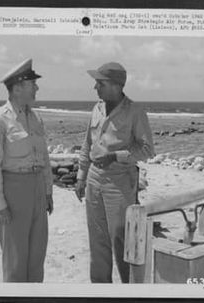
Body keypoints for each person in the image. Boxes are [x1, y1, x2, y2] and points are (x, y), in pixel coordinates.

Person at [75, 62, 155, 283]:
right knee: (97, 240)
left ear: (117, 86)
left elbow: (147, 150)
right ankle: (101, 291)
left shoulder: (135, 112)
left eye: (100, 83)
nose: (95, 88)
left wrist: (115, 156)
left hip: (120, 182)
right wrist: (81, 176)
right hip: (93, 179)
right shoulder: (97, 108)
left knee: (122, 240)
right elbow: (86, 143)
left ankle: (128, 291)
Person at [0, 58, 53, 282]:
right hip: (13, 192)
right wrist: (0, 203)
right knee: (15, 259)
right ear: (18, 87)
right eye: (33, 84)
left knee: (36, 256)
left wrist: (48, 191)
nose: (37, 88)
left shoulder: (35, 117)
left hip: (38, 191)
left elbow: (44, 158)